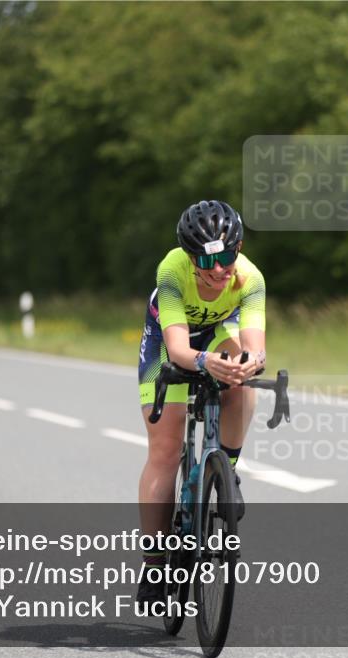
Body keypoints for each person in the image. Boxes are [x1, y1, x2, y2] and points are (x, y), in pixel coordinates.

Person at [136, 200, 266, 605]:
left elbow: (255, 347)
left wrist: (247, 365)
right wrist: (206, 362)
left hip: (212, 334)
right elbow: (177, 348)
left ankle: (224, 470)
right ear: (190, 256)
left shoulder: (250, 279)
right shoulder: (172, 270)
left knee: (243, 387)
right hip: (167, 343)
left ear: (239, 249)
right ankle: (156, 561)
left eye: (228, 256)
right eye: (207, 260)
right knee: (166, 449)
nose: (218, 269)